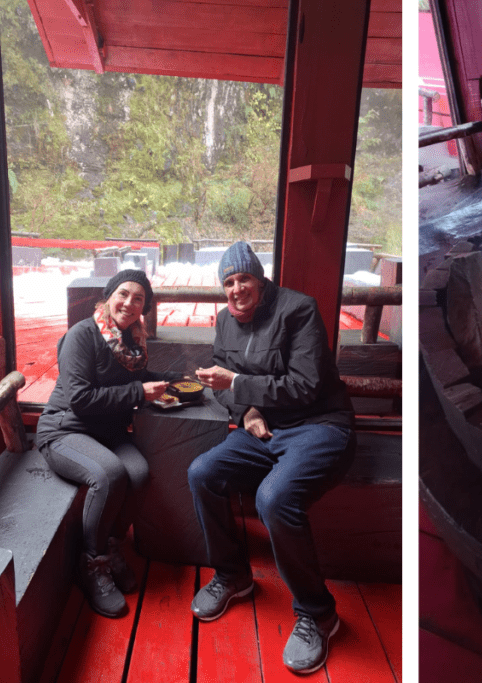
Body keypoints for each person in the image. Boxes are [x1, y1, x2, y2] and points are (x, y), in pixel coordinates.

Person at [189, 241, 355, 675]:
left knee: (274, 498)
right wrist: (245, 410)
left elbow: (305, 385)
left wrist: (239, 385)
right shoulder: (225, 321)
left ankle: (319, 613)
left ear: (261, 280)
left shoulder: (298, 309)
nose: (236, 289)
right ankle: (233, 576)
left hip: (319, 425)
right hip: (263, 428)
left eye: (244, 278)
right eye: (228, 282)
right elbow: (220, 384)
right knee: (202, 472)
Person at [37, 269, 181, 618]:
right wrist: (138, 392)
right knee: (110, 475)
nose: (129, 304)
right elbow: (82, 398)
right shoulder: (82, 335)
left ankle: (112, 544)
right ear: (108, 296)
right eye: (124, 294)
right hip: (65, 430)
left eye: (139, 299)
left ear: (144, 308)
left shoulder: (132, 340)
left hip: (108, 433)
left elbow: (137, 378)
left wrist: (177, 381)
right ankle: (92, 565)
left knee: (140, 473)